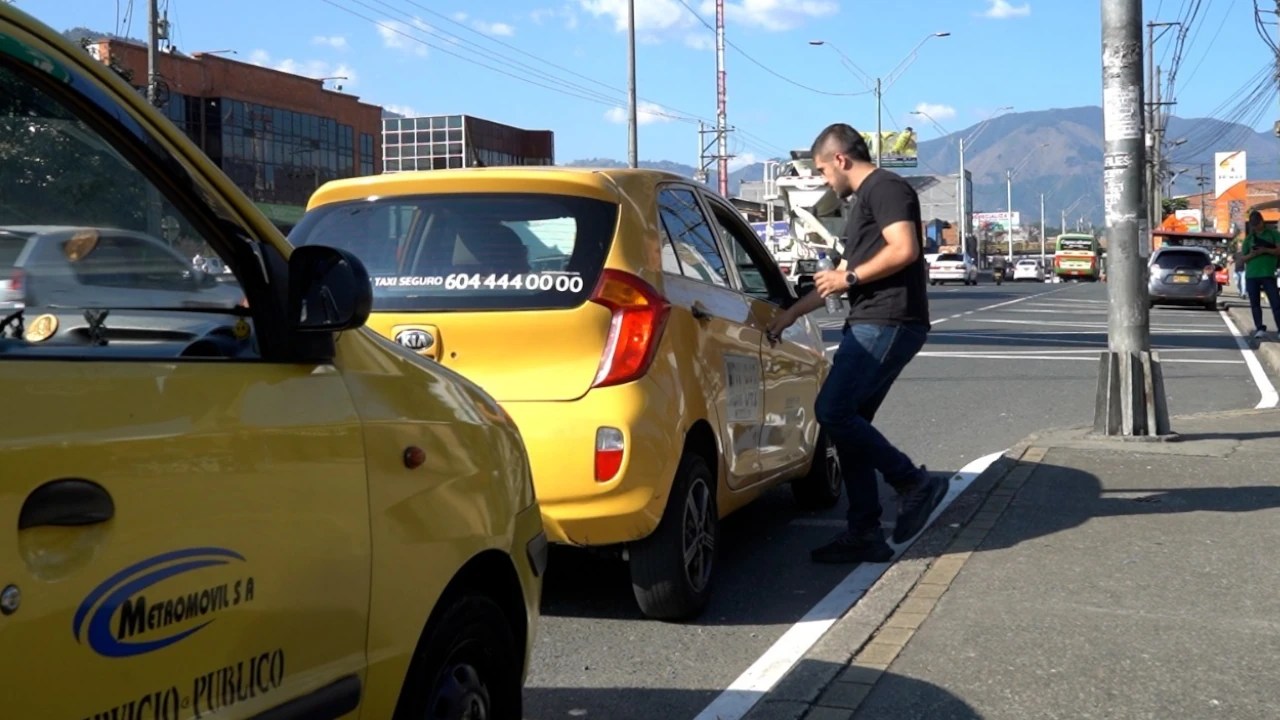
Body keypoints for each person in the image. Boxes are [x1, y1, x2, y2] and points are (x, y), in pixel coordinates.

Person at [768, 123, 945, 564]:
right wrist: (790, 313)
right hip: (872, 320)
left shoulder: (886, 187)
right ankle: (864, 531)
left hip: (887, 320)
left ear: (841, 160)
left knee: (832, 410)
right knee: (851, 427)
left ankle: (912, 483)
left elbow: (903, 249)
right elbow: (842, 274)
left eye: (825, 171)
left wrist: (849, 277)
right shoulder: (864, 201)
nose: (826, 180)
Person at [1241, 210, 1280, 340]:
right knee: (1255, 303)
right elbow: (1242, 258)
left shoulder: (1273, 234)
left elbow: (1278, 251)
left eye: (1257, 224)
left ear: (1262, 221)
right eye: (1253, 225)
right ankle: (1259, 328)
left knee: (1276, 303)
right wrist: (1253, 254)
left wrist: (1265, 250)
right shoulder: (1249, 239)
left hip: (1268, 274)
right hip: (1252, 275)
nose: (1255, 227)